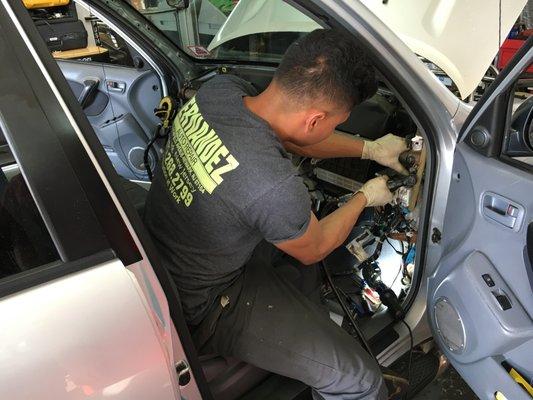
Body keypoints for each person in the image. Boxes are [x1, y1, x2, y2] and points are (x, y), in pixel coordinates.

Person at [144, 28, 408, 400]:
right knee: (359, 382)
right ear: (316, 119)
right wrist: (365, 197)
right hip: (205, 300)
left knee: (300, 270)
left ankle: (311, 347)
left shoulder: (220, 92)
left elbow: (285, 136)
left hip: (164, 250)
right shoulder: (273, 186)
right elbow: (314, 246)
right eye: (335, 122)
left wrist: (370, 150)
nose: (333, 128)